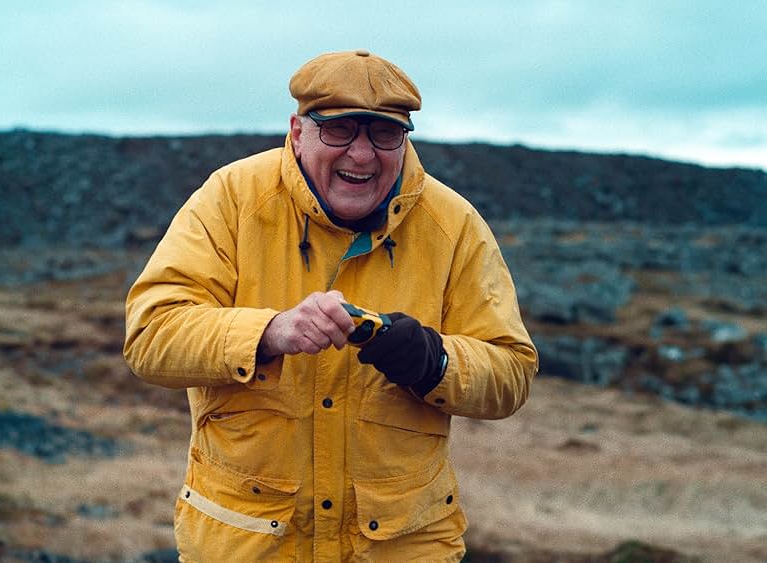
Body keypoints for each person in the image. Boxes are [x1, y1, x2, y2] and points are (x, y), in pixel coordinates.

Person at [124, 49, 537, 562]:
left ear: (405, 139)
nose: (362, 155)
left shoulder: (454, 226)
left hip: (401, 549)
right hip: (247, 545)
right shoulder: (231, 199)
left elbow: (512, 372)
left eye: (384, 133)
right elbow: (151, 335)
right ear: (298, 132)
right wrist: (268, 333)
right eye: (339, 130)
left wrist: (433, 361)